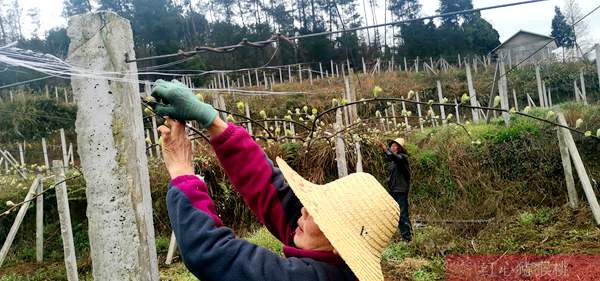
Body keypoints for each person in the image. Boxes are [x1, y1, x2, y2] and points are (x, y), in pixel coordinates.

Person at [152, 80, 400, 281]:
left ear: (339, 244)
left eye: (319, 213)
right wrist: (213, 122)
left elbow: (214, 256)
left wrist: (183, 174)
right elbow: (274, 193)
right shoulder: (332, 258)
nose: (304, 209)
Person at [374, 138, 412, 242]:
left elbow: (392, 156)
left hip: (400, 190)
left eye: (395, 146)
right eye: (392, 146)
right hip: (393, 190)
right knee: (393, 213)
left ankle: (407, 239)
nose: (392, 147)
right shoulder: (392, 162)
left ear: (399, 149)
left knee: (402, 214)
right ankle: (402, 236)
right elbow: (390, 158)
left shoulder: (402, 158)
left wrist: (383, 147)